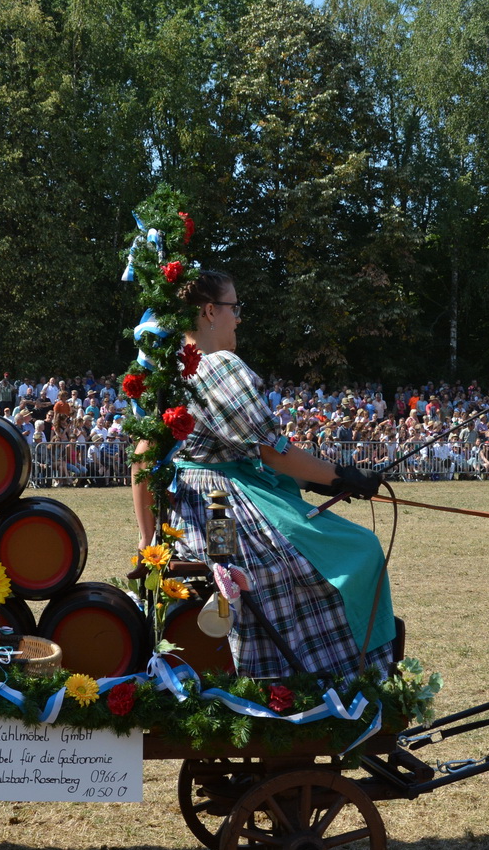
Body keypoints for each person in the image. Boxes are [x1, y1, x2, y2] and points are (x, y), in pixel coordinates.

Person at [131, 269, 395, 680]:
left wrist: (149, 538)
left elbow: (141, 460)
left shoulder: (170, 371)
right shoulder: (219, 366)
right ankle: (339, 674)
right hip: (223, 505)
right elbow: (273, 452)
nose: (238, 318)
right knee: (359, 549)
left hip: (190, 511)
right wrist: (340, 476)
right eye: (234, 308)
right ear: (209, 311)